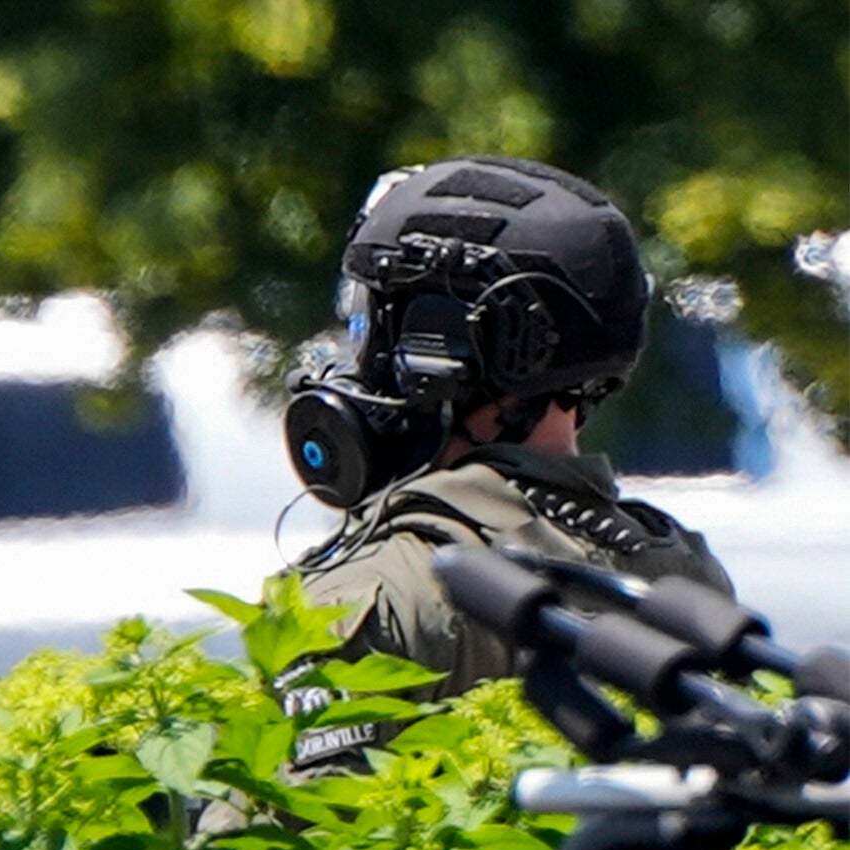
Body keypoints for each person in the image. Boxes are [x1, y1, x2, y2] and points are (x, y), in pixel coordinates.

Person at [281, 155, 732, 763]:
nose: (356, 363)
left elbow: (285, 844)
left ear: (438, 353)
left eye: (370, 328)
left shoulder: (372, 593)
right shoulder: (686, 576)